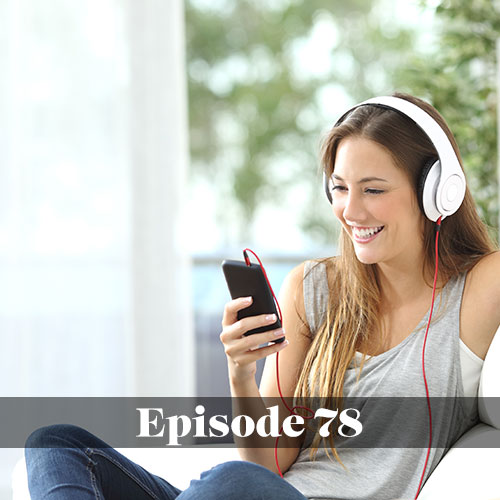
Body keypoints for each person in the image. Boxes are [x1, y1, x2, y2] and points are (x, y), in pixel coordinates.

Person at [25, 93, 500, 499]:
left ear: (439, 192)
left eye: (373, 189)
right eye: (338, 188)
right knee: (54, 443)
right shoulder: (314, 289)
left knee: (233, 483)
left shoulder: (477, 288)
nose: (350, 210)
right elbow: (270, 464)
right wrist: (241, 377)